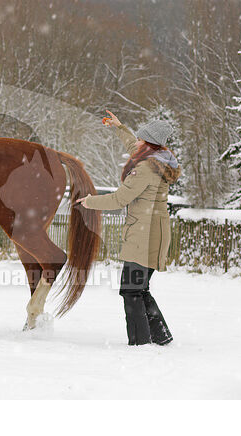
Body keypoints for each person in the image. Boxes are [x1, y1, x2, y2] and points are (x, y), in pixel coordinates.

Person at [77, 110, 181, 346]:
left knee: (131, 290)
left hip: (143, 238)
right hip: (153, 234)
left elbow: (118, 199)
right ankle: (161, 338)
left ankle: (140, 344)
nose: (139, 142)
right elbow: (135, 146)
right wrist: (119, 126)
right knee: (140, 289)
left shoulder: (145, 169)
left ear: (150, 144)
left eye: (143, 139)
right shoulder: (160, 159)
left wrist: (89, 202)